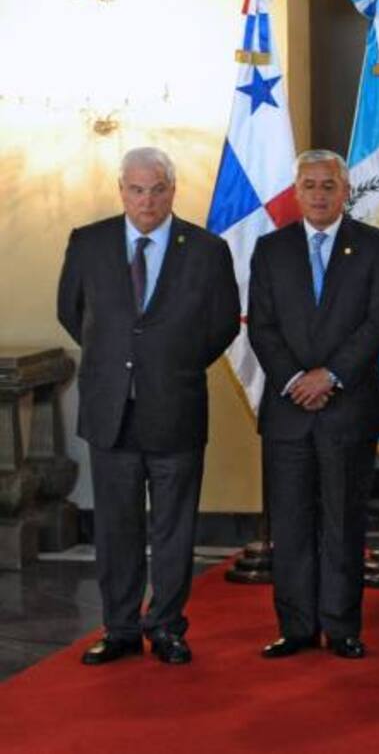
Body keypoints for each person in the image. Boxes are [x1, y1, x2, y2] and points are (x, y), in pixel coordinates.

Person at [56, 146, 239, 666]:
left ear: (173, 191)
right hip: (110, 408)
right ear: (122, 191)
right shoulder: (88, 243)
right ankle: (118, 628)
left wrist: (172, 363)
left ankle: (165, 627)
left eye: (157, 189)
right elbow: (72, 312)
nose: (147, 200)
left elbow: (224, 321)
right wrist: (120, 360)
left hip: (175, 405)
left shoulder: (206, 249)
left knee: (173, 528)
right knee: (116, 527)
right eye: (137, 189)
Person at [247, 149, 379, 660]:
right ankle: (295, 627)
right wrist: (296, 379)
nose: (318, 193)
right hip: (288, 410)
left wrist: (330, 376)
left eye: (327, 185)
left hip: (348, 406)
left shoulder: (376, 246)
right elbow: (261, 325)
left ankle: (341, 627)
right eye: (309, 185)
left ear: (345, 190)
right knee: (289, 524)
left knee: (343, 521)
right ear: (297, 191)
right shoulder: (271, 249)